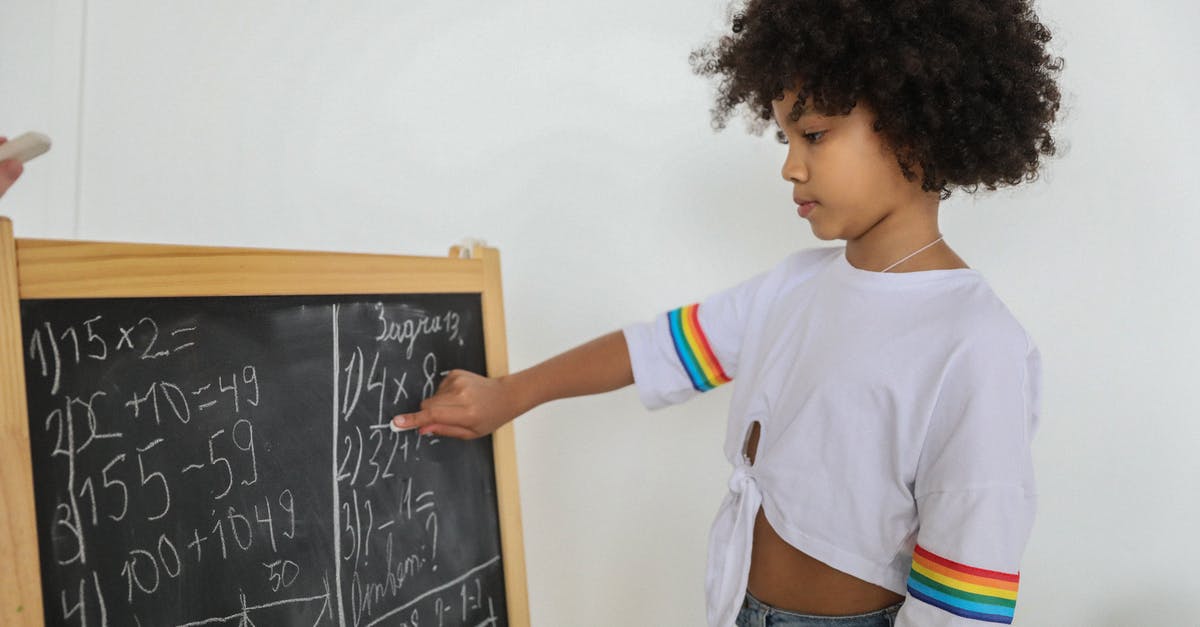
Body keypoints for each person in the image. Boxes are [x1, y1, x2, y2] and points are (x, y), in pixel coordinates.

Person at [392, 0, 1063, 624]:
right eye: (784, 140)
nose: (790, 168)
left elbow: (964, 587)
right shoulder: (794, 288)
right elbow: (658, 348)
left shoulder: (975, 344)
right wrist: (510, 394)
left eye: (815, 134)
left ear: (916, 126)